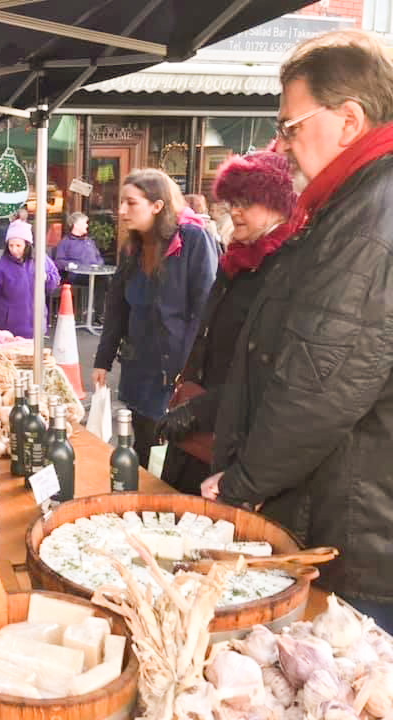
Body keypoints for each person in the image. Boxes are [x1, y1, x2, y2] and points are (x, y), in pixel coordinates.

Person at [202, 29, 393, 628]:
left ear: (348, 120)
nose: (280, 144)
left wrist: (242, 483)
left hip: (352, 529)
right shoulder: (346, 204)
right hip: (338, 507)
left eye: (290, 125)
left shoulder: (368, 218)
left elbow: (322, 385)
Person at [156, 152, 296, 494]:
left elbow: (263, 369)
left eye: (247, 201)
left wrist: (198, 410)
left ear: (277, 204)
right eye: (232, 201)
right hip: (197, 422)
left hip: (234, 435)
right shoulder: (235, 259)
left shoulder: (285, 270)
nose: (235, 211)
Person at [93, 168, 217, 468]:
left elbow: (206, 312)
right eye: (120, 202)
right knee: (141, 445)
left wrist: (186, 372)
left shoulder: (193, 240)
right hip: (139, 368)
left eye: (131, 202)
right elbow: (117, 309)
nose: (121, 210)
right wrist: (102, 360)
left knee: (171, 455)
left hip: (174, 375)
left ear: (157, 205)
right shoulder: (132, 248)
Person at [0, 219, 60, 339]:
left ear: (27, 245)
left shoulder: (41, 259)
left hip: (37, 325)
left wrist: (46, 278)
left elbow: (55, 281)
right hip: (8, 331)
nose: (14, 249)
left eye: (18, 245)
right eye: (11, 245)